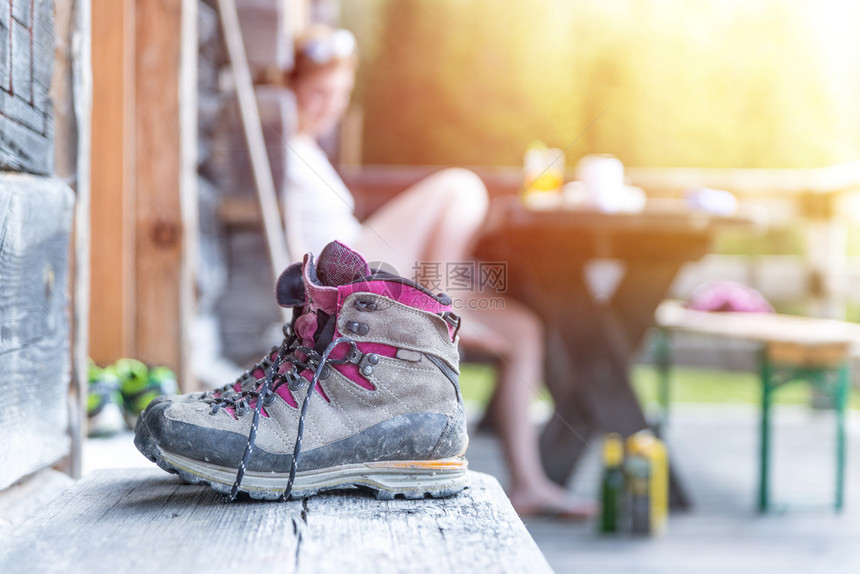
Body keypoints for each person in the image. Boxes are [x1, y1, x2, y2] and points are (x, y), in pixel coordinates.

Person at [282, 25, 595, 519]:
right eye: (317, 92)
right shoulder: (280, 150)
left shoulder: (309, 149)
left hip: (359, 265)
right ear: (287, 89)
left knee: (523, 330)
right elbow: (292, 250)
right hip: (339, 282)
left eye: (339, 95)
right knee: (459, 186)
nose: (329, 106)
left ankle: (530, 481)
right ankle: (442, 307)